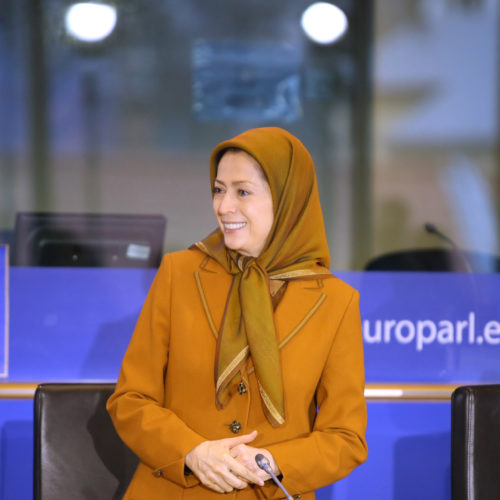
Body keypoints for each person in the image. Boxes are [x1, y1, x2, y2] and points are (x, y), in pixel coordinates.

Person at [107, 126, 368, 499]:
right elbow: (130, 400)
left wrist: (274, 461)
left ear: (287, 200)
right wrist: (192, 452)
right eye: (218, 189)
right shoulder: (178, 274)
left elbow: (346, 438)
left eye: (242, 192)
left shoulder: (337, 301)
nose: (224, 206)